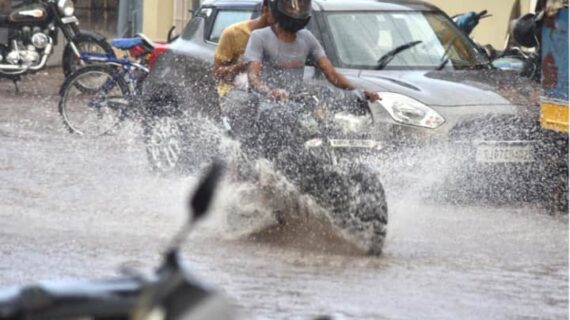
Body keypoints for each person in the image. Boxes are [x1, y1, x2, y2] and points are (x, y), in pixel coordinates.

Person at [244, 0, 380, 103]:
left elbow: (332, 74)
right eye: (292, 7)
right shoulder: (259, 36)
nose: (297, 11)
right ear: (278, 6)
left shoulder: (307, 37)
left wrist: (359, 90)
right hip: (265, 102)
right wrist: (270, 92)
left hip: (295, 101)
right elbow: (253, 77)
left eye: (303, 6)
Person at [213, 0, 274, 134]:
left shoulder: (283, 37)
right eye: (277, 13)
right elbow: (217, 73)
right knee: (250, 103)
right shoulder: (234, 33)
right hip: (234, 91)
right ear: (265, 9)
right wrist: (241, 66)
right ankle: (243, 148)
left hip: (266, 91)